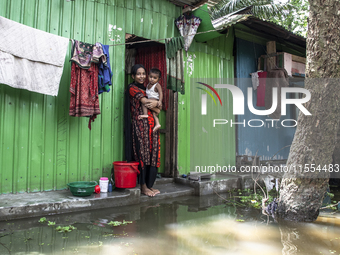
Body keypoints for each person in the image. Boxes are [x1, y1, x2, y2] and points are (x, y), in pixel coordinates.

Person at [124, 64, 161, 197]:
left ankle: (150, 185)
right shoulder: (132, 88)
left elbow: (157, 109)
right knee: (142, 155)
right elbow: (146, 102)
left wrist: (157, 104)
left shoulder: (148, 88)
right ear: (133, 76)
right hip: (140, 127)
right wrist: (156, 104)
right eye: (138, 74)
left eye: (143, 73)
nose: (142, 76)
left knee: (153, 154)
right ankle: (143, 187)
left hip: (152, 128)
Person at [138, 68, 163, 133]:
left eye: (155, 78)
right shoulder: (148, 85)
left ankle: (145, 114)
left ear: (158, 79)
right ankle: (157, 124)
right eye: (151, 77)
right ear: (148, 76)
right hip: (151, 101)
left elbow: (161, 93)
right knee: (154, 114)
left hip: (155, 101)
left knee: (145, 102)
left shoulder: (157, 85)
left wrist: (159, 101)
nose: (152, 79)